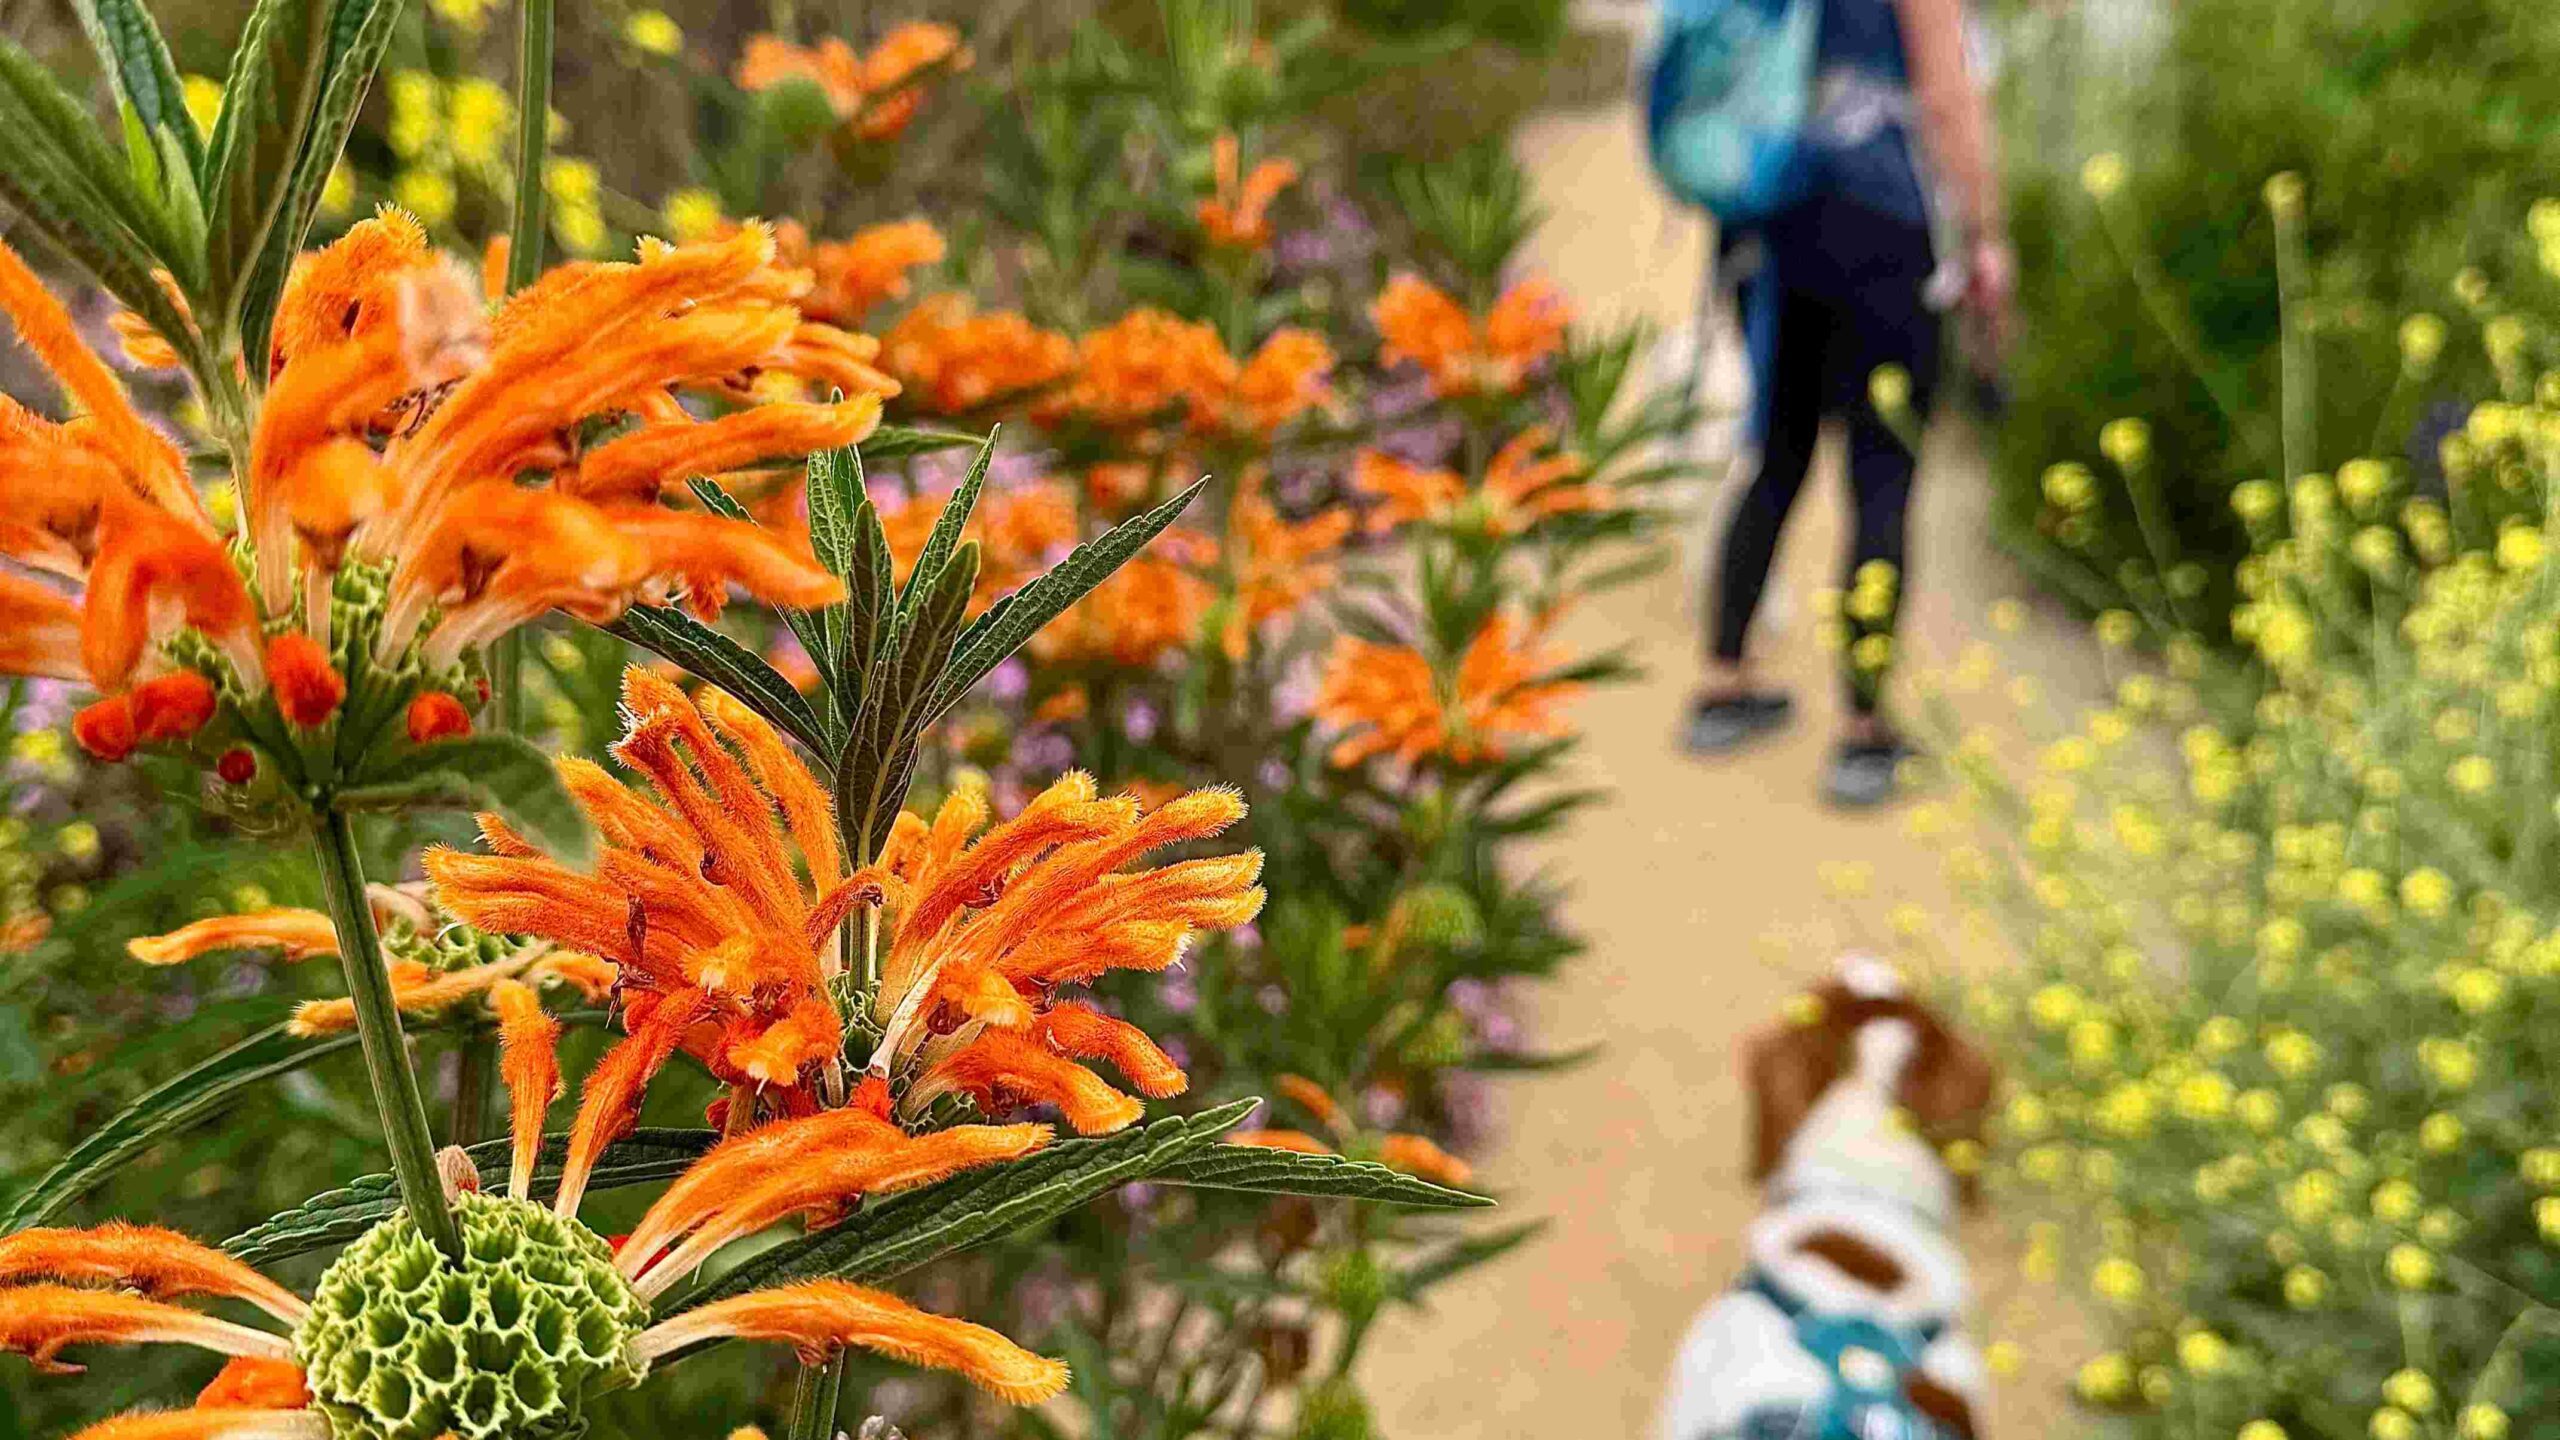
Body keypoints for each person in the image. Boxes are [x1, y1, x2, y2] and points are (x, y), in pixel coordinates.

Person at [1680, 0, 2013, 807]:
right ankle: (1864, 736)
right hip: (1884, 235)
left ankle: (1725, 683)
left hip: (1777, 229)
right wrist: (1986, 236)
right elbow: (1945, 96)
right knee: (1882, 478)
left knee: (1777, 457)